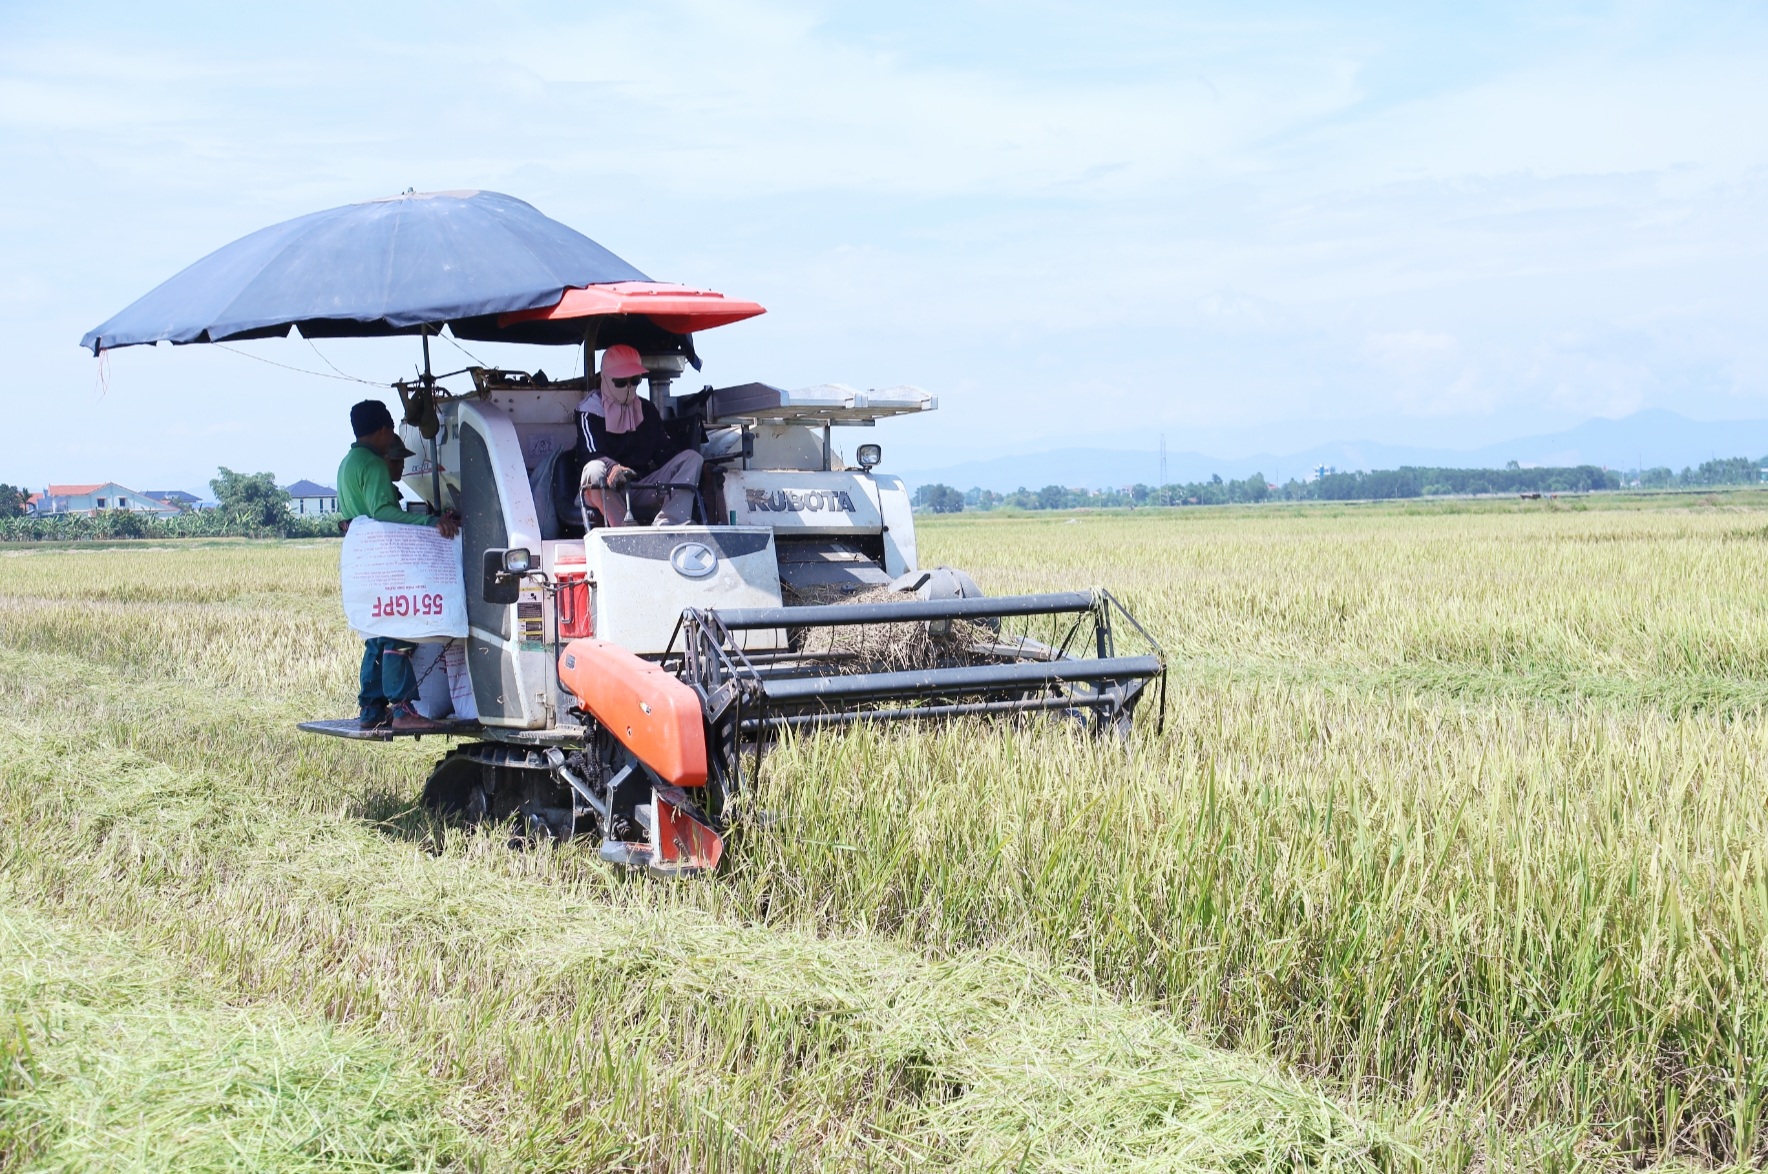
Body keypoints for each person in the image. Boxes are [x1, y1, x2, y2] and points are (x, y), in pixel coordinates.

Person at [338, 399, 459, 732]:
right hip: (387, 560)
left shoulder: (347, 463)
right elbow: (383, 513)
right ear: (383, 430)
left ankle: (370, 709)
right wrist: (432, 523)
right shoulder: (375, 464)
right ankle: (403, 707)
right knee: (398, 634)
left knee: (376, 635)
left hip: (365, 561)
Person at [576, 344, 703, 527]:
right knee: (594, 469)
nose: (628, 387)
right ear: (605, 378)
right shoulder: (589, 411)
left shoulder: (646, 410)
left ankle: (669, 525)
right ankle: (625, 531)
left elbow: (665, 453)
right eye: (621, 382)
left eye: (635, 380)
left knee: (693, 459)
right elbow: (589, 453)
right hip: (604, 491)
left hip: (640, 487)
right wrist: (613, 468)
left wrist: (702, 471)